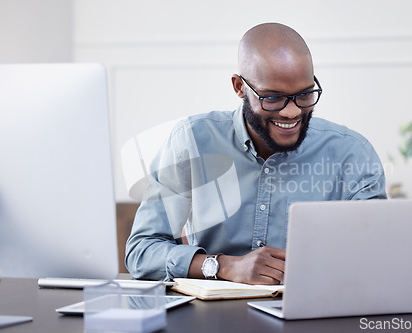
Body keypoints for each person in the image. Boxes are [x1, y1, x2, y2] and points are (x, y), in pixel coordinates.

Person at [125, 22, 387, 284]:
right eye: (272, 98)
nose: (292, 112)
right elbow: (141, 252)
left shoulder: (352, 153)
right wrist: (221, 266)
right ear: (239, 87)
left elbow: (381, 257)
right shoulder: (191, 141)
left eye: (305, 94)